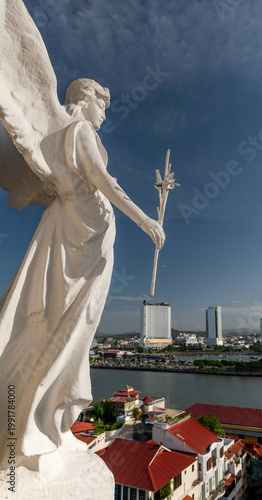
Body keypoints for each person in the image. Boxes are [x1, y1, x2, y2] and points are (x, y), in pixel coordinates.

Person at [0, 78, 164, 469]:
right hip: (78, 241)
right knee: (67, 328)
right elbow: (104, 182)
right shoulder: (79, 131)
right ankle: (34, 424)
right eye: (102, 106)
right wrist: (145, 221)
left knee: (57, 325)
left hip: (75, 236)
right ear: (84, 101)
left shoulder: (64, 137)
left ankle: (37, 418)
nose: (105, 115)